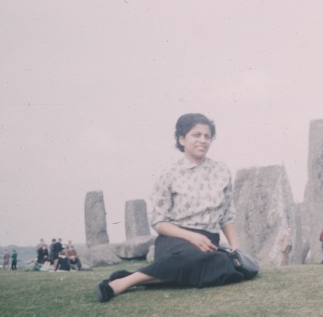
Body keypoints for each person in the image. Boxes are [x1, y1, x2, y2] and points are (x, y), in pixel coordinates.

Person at [96, 113, 250, 302]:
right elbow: (159, 221)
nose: (202, 140)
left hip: (209, 242)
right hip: (176, 240)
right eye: (196, 135)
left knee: (225, 265)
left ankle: (134, 275)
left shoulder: (222, 171)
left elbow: (227, 215)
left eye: (207, 136)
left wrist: (236, 248)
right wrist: (191, 237)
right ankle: (122, 283)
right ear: (181, 139)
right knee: (193, 259)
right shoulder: (169, 174)